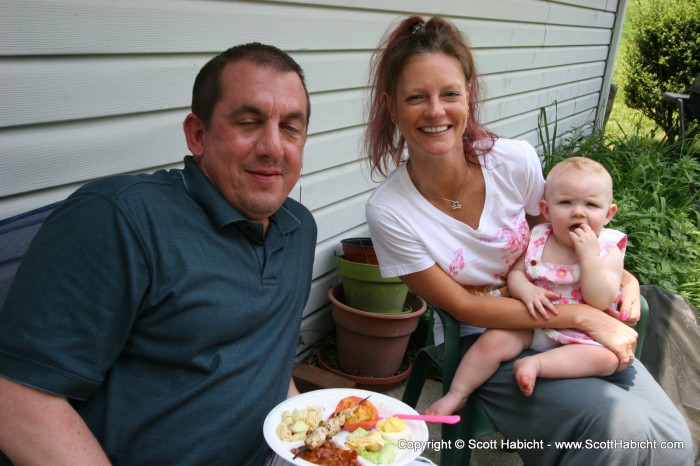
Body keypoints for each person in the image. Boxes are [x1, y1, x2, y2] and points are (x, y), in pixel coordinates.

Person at [364, 15, 693, 464]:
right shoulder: (391, 211)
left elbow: (566, 241)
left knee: (671, 440)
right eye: (416, 97)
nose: (436, 111)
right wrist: (586, 318)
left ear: (469, 95)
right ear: (391, 105)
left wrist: (625, 279)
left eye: (450, 94)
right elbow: (463, 306)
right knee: (619, 435)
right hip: (488, 342)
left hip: (570, 328)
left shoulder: (513, 162)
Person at [0, 42, 317, 465]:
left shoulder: (299, 229)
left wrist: (315, 442)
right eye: (248, 121)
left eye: (291, 127)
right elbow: (16, 398)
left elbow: (266, 359)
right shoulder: (121, 219)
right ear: (198, 135)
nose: (274, 147)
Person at [425, 157, 625, 416]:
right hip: (533, 324)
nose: (578, 211)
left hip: (582, 336)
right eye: (566, 202)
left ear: (609, 214)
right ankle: (457, 394)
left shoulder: (610, 247)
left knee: (608, 360)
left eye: (591, 204)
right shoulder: (539, 237)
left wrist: (590, 257)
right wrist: (526, 290)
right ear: (545, 209)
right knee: (492, 341)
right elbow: (516, 273)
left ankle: (536, 364)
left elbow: (600, 299)